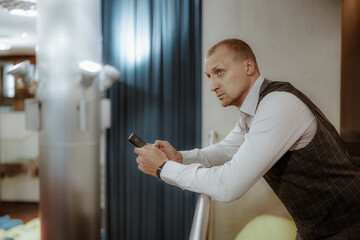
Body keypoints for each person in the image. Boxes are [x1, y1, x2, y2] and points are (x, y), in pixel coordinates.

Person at [133, 38, 360, 240]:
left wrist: (164, 168)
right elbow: (226, 149)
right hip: (316, 227)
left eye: (219, 72)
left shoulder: (277, 106)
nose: (212, 86)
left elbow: (228, 186)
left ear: (248, 66)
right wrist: (181, 158)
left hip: (349, 225)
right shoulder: (254, 110)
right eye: (209, 77)